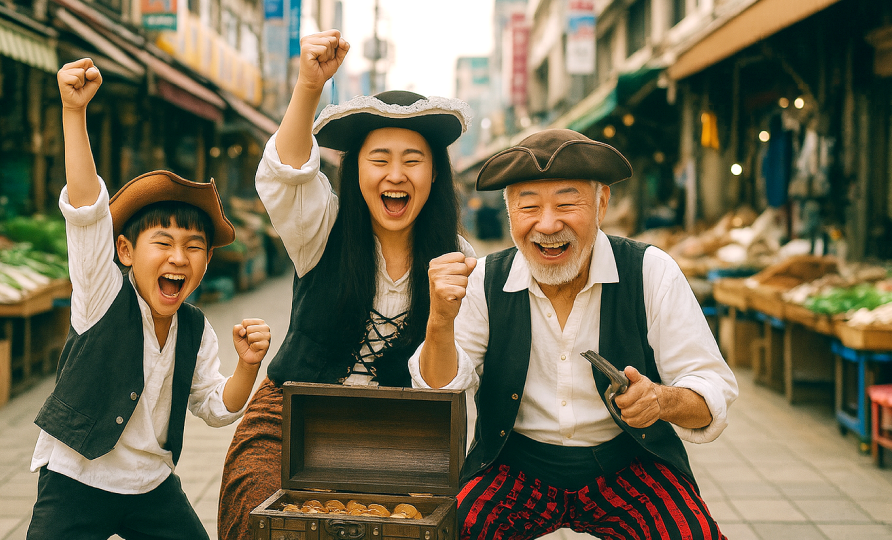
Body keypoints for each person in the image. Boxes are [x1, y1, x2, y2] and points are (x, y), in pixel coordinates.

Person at [413, 129, 738, 539]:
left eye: (567, 203)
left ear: (601, 203)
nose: (548, 225)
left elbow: (712, 391)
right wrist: (440, 320)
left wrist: (661, 400)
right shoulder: (484, 281)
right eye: (528, 206)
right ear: (509, 213)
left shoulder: (651, 271)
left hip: (629, 465)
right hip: (514, 467)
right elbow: (439, 388)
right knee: (451, 533)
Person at [217, 30, 476, 537]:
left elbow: (448, 385)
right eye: (379, 159)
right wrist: (309, 86)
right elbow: (286, 173)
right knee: (261, 516)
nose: (395, 175)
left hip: (398, 437)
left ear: (435, 175)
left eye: (413, 160)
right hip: (288, 419)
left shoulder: (458, 260)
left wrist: (442, 320)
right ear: (355, 169)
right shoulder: (322, 226)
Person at [26, 58, 271, 540]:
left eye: (194, 247)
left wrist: (247, 365)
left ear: (205, 262)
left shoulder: (195, 329)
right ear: (126, 251)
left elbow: (216, 407)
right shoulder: (101, 295)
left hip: (151, 484)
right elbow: (85, 213)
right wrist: (73, 113)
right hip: (78, 477)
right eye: (163, 242)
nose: (179, 258)